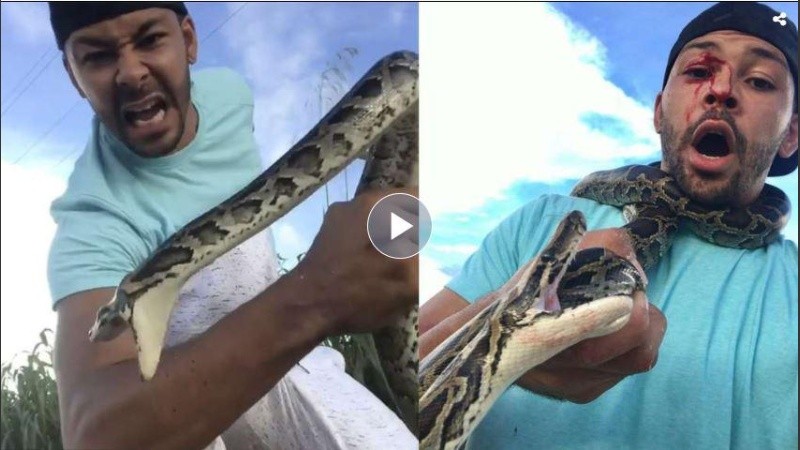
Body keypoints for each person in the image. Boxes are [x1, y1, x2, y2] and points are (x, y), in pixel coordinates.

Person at [421, 2, 797, 448]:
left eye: (759, 81)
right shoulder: (544, 221)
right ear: (659, 111)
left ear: (791, 134)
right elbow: (398, 376)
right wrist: (509, 316)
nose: (722, 89)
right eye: (698, 71)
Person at [45, 3, 417, 449]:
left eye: (149, 39)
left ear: (189, 40)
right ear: (72, 75)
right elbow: (91, 434)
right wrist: (320, 291)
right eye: (99, 56)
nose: (130, 73)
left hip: (300, 366)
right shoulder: (93, 220)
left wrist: (399, 161)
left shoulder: (228, 93)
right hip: (198, 399)